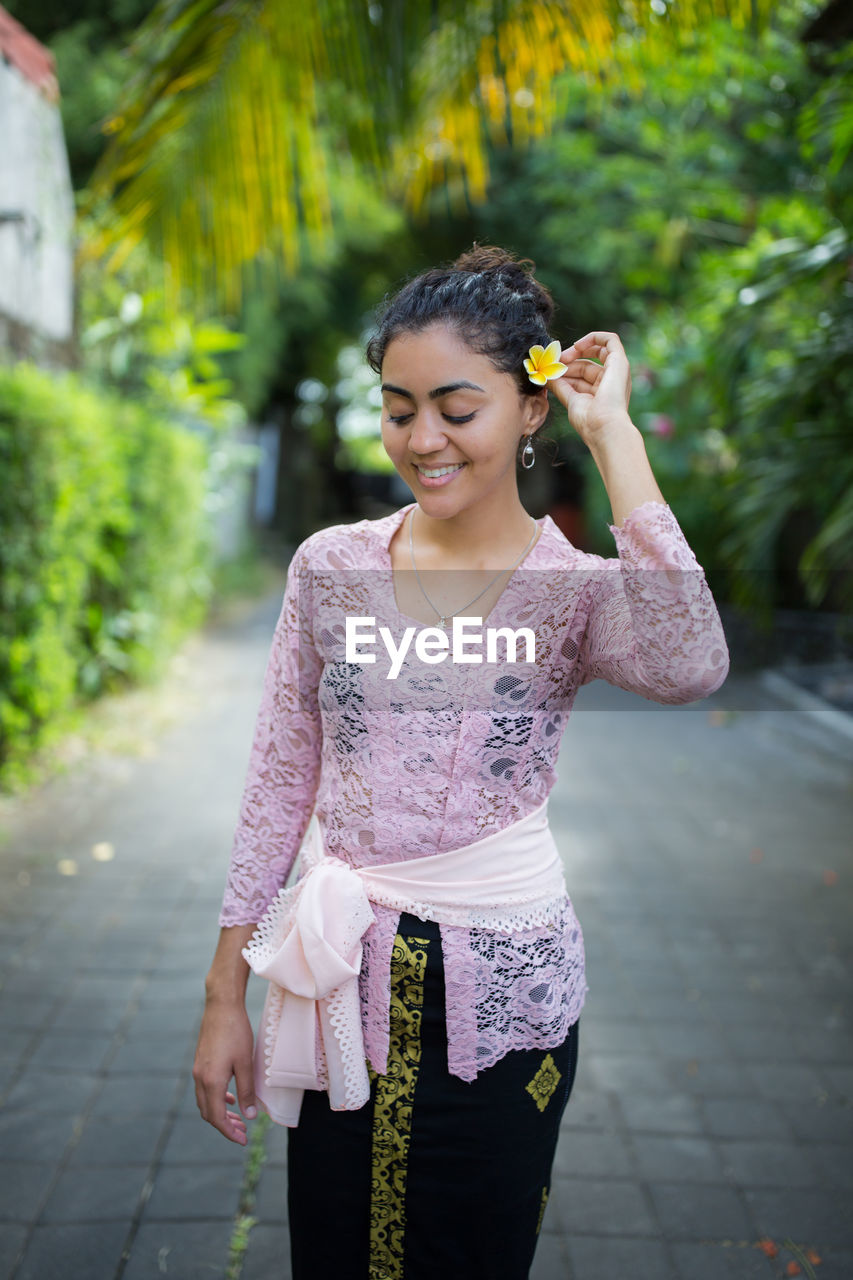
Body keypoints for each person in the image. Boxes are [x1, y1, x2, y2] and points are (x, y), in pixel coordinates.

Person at [192, 245, 730, 1279]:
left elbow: (691, 660)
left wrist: (612, 432)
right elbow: (275, 782)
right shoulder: (330, 566)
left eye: (455, 407)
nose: (422, 439)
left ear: (529, 409)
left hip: (505, 1002)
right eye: (398, 409)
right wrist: (224, 993)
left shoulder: (572, 592)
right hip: (333, 980)